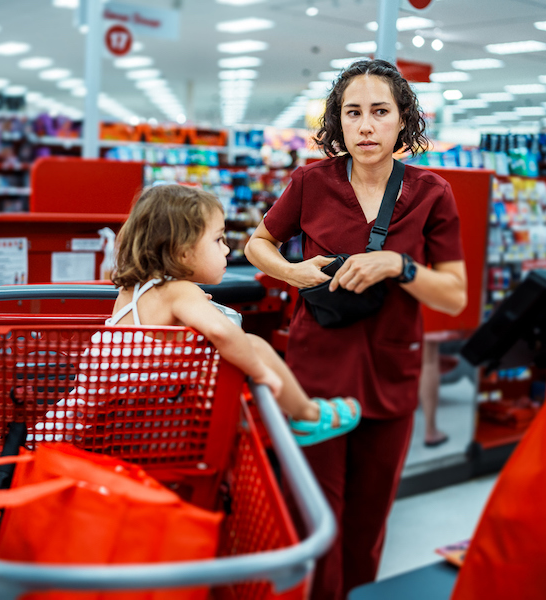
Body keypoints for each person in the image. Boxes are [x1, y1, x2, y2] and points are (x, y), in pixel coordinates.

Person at [244, 59, 467, 598]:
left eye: (380, 112)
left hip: (390, 375)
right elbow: (257, 244)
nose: (366, 126)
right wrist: (292, 272)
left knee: (366, 529)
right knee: (316, 520)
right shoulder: (310, 182)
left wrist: (400, 266)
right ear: (338, 123)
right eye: (353, 113)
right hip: (315, 379)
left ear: (402, 120)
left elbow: (456, 296)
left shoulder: (433, 192)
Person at [108, 183, 360, 446]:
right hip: (153, 421)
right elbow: (221, 332)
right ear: (183, 251)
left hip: (121, 412)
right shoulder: (180, 291)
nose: (227, 249)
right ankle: (306, 415)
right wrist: (260, 372)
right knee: (253, 345)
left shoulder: (131, 289)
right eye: (218, 240)